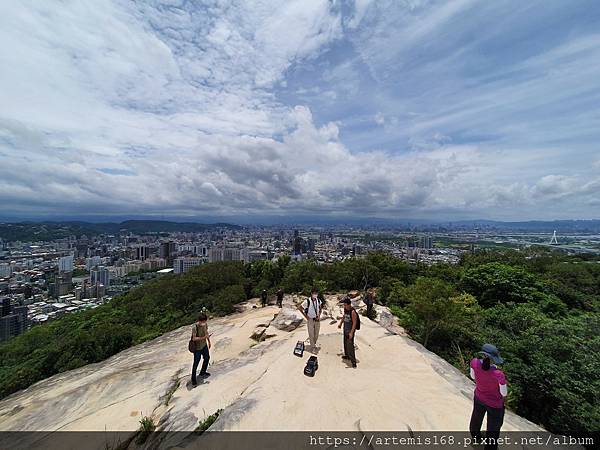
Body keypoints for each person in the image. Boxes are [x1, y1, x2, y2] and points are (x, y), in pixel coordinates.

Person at [469, 344, 507, 450]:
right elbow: (504, 393)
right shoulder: (498, 374)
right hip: (494, 404)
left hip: (479, 396)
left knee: (476, 417)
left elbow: (473, 376)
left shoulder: (474, 362)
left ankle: (475, 436)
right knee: (493, 428)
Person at [298, 288, 322, 352]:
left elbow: (320, 308)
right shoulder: (307, 301)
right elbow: (300, 308)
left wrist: (319, 315)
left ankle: (313, 343)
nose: (315, 294)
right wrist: (306, 317)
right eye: (314, 293)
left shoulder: (318, 300)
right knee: (311, 334)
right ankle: (313, 346)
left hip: (317, 319)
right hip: (310, 319)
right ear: (311, 293)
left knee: (316, 333)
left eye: (316, 293)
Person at [191, 313, 212, 386]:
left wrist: (209, 341)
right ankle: (193, 379)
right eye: (202, 322)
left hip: (204, 345)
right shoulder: (195, 327)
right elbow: (194, 338)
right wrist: (204, 338)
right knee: (196, 363)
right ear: (199, 321)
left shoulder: (205, 324)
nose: (204, 323)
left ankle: (203, 372)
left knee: (207, 358)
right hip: (197, 348)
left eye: (205, 321)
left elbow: (206, 332)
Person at [338, 297, 358, 368]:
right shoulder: (345, 309)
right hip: (345, 330)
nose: (344, 306)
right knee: (345, 344)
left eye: (345, 304)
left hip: (350, 331)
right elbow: (344, 316)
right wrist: (340, 323)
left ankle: (353, 362)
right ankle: (347, 356)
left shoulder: (353, 312)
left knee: (350, 346)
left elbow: (355, 323)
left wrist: (351, 333)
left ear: (349, 304)